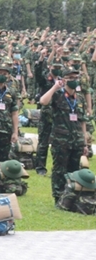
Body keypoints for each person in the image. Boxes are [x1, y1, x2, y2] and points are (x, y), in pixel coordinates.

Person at [40, 67, 89, 205]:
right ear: (64, 79)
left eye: (76, 78)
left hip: (77, 140)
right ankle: (58, 196)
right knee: (59, 170)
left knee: (74, 169)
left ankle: (71, 196)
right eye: (70, 78)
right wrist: (55, 87)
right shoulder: (57, 96)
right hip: (61, 140)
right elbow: (43, 101)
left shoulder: (79, 99)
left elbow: (82, 121)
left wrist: (84, 142)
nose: (74, 80)